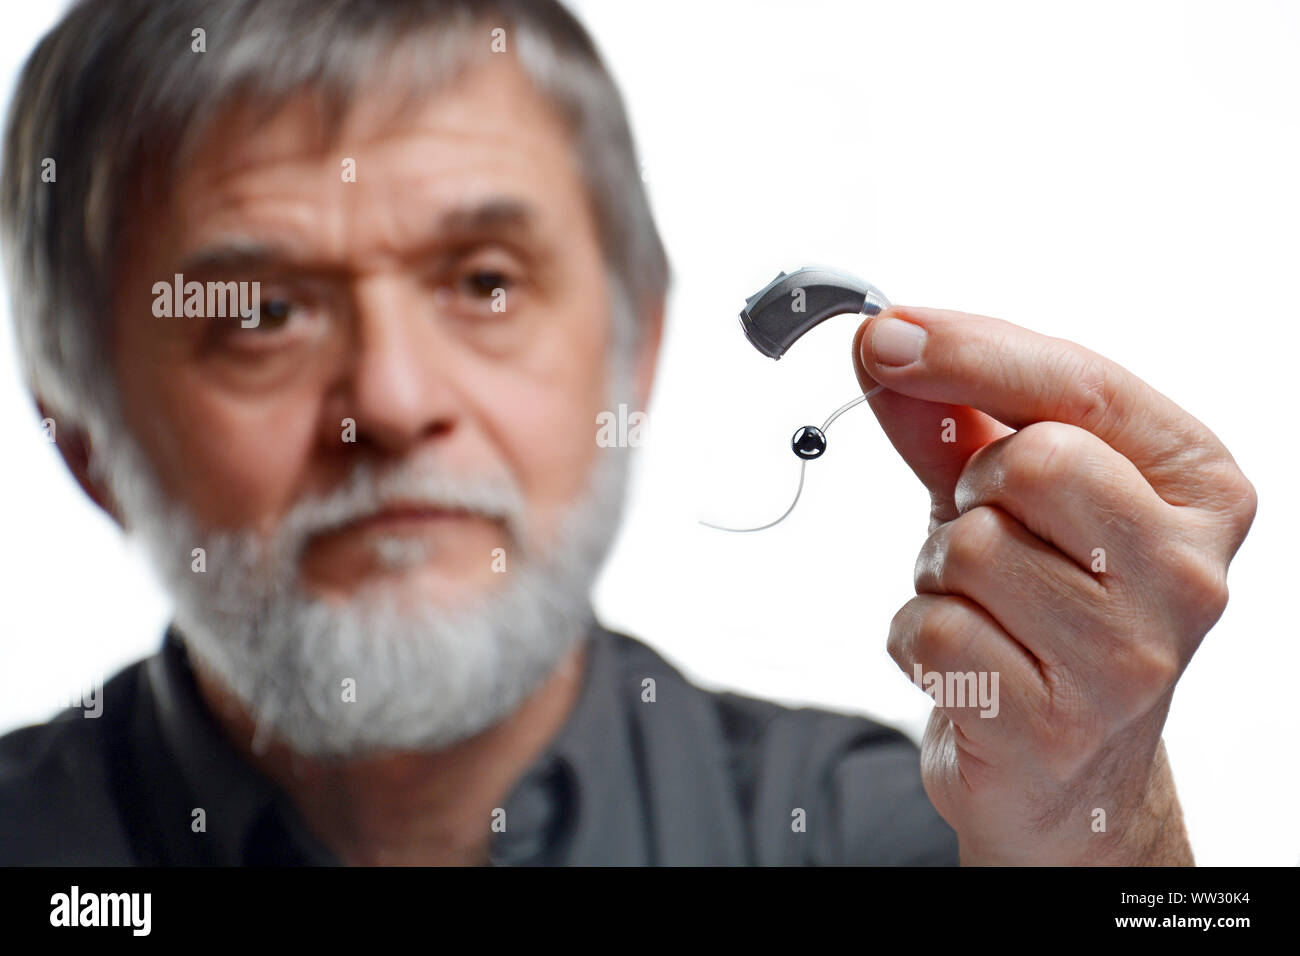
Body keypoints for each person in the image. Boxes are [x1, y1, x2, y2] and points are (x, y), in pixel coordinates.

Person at [0, 0, 1255, 866]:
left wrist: (1104, 817)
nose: (387, 398)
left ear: (633, 345)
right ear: (81, 433)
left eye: (484, 282)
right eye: (261, 311)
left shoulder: (929, 836)